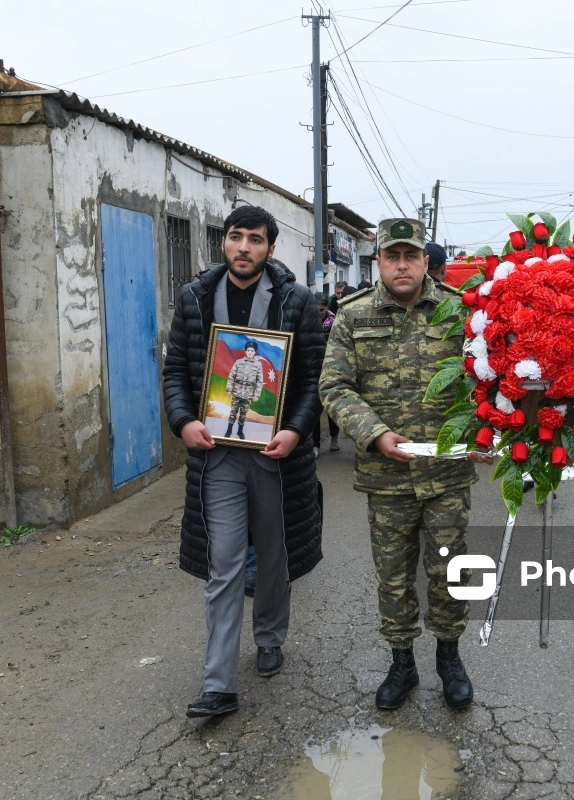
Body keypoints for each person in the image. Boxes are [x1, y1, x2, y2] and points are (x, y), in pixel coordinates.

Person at [320, 218, 490, 712]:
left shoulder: (461, 313)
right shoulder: (353, 316)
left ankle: (449, 657)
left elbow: (487, 381)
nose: (401, 265)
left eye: (409, 256)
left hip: (446, 475)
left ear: (423, 262)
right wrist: (374, 433)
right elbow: (334, 386)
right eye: (391, 256)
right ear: (379, 262)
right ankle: (402, 662)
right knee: (393, 575)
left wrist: (489, 433)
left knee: (448, 569)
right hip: (386, 475)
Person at [163, 205, 326, 719]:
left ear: (270, 249)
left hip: (278, 456)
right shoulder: (193, 299)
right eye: (236, 237)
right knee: (226, 562)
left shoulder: (297, 302)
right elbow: (174, 374)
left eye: (256, 239)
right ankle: (219, 685)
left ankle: (271, 635)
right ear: (223, 243)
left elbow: (313, 380)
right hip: (216, 457)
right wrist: (183, 421)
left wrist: (296, 430)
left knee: (274, 556)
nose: (244, 247)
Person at [314, 298, 341, 452]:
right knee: (315, 408)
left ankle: (334, 438)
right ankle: (315, 445)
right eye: (316, 309)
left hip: (331, 368)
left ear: (326, 309)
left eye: (321, 310)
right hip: (314, 368)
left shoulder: (335, 323)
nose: (319, 313)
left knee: (331, 405)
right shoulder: (308, 321)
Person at [224, 342, 264, 439]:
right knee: (233, 412)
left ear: (255, 352)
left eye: (252, 351)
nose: (250, 352)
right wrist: (229, 389)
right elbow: (231, 376)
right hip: (237, 392)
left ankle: (240, 431)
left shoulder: (258, 364)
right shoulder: (238, 362)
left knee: (243, 414)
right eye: (248, 350)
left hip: (248, 394)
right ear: (245, 351)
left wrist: (257, 395)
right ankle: (229, 431)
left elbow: (259, 381)